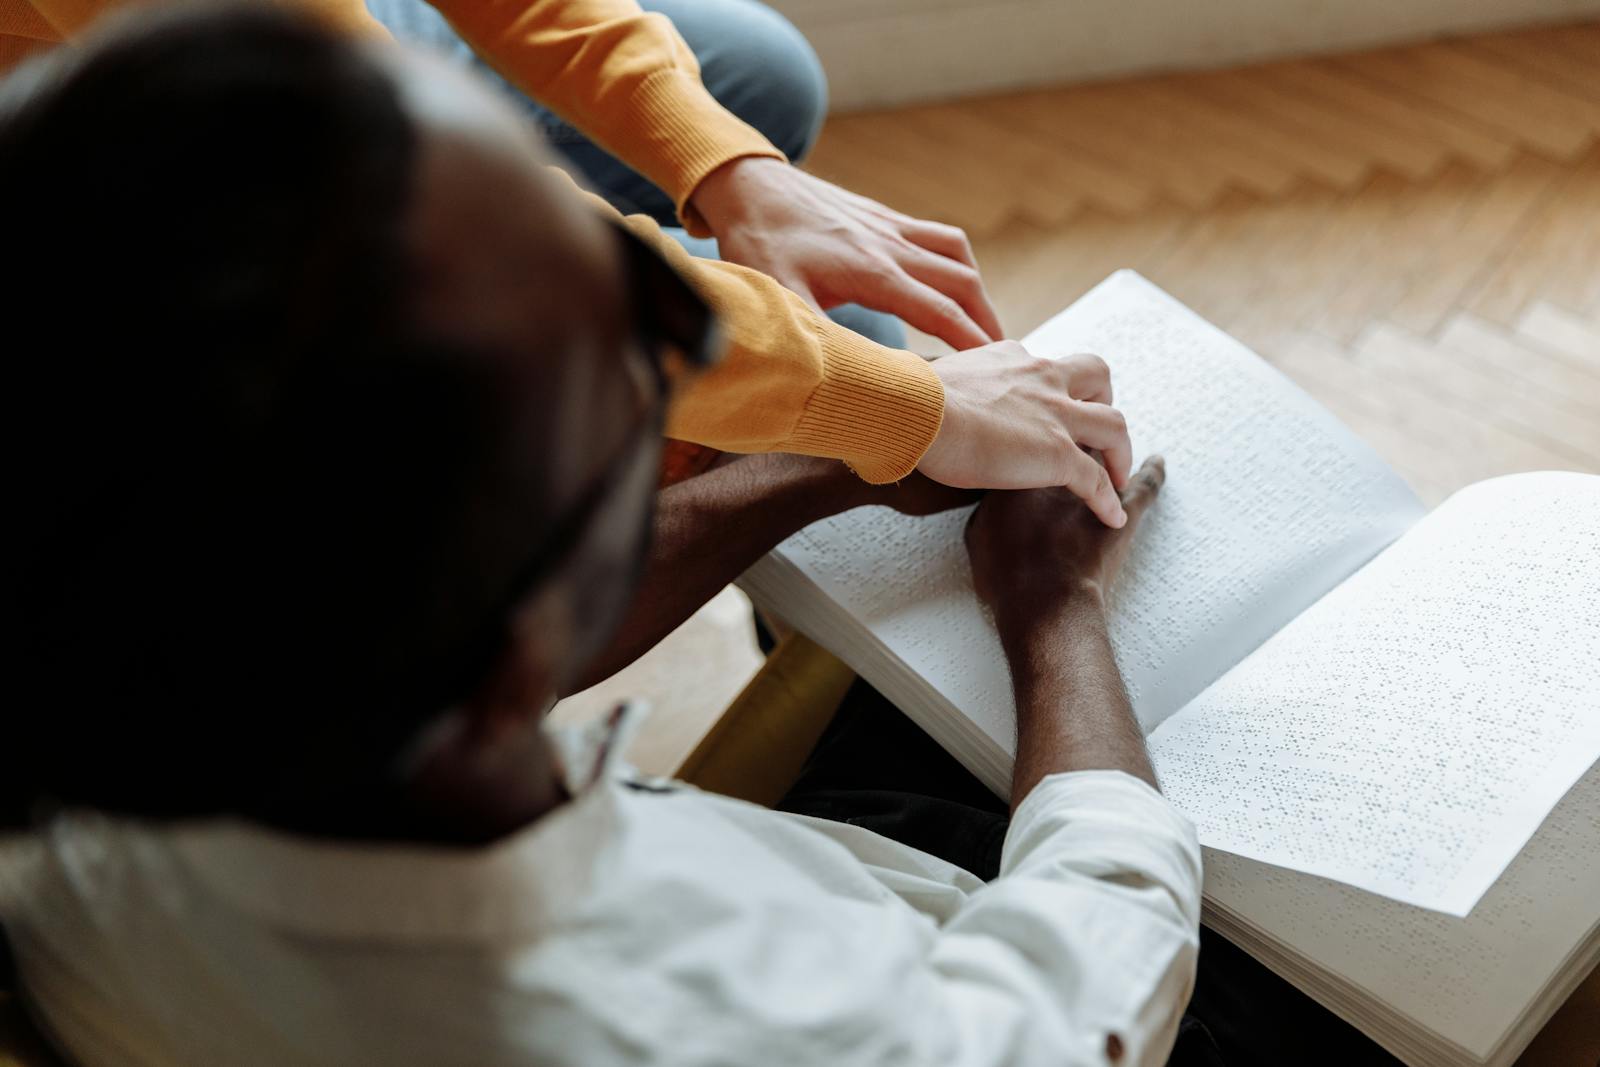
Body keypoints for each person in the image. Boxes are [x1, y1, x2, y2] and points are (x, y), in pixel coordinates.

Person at [1, 8, 1198, 1065]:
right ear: (556, 563)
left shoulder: (130, 681)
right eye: (641, 400)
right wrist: (1053, 613)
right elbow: (1082, 1003)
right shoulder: (745, 1016)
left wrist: (835, 455)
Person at [0, 0, 1131, 512]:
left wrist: (736, 171)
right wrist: (898, 406)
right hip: (81, 187)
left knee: (754, 79)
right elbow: (447, 223)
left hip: (297, 45)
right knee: (856, 370)